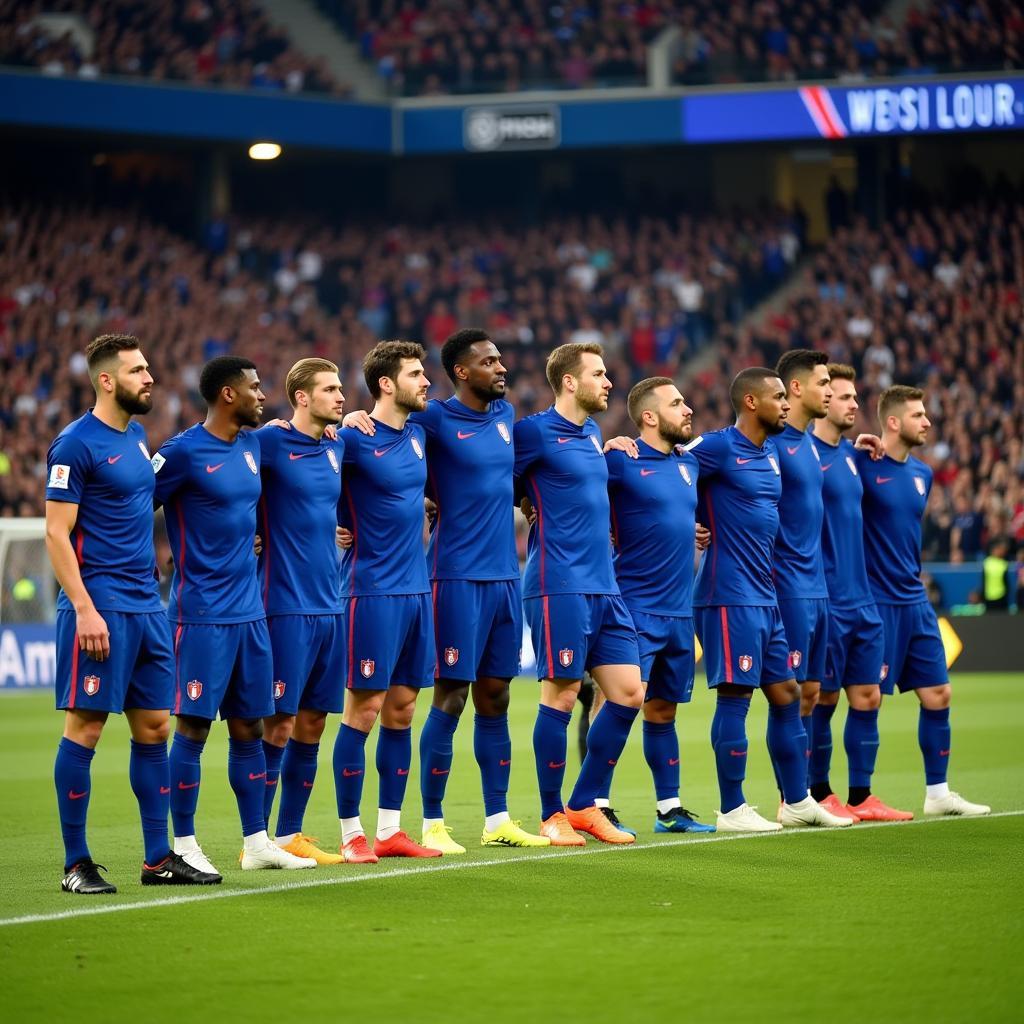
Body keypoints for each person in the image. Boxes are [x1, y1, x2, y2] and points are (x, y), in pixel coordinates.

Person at [344, 329, 548, 852]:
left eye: (501, 359)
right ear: (462, 371)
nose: (502, 368)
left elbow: (527, 472)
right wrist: (350, 419)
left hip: (505, 575)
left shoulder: (507, 420)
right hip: (452, 577)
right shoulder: (430, 419)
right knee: (451, 695)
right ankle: (432, 819)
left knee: (496, 697)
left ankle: (497, 818)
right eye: (490, 361)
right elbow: (380, 451)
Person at [46, 333, 220, 894]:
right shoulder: (74, 444)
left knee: (154, 726)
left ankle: (155, 858)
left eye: (148, 368)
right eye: (138, 371)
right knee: (87, 728)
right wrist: (84, 608)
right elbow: (55, 533)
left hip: (148, 605)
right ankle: (76, 863)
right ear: (106, 380)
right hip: (100, 607)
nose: (150, 378)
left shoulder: (139, 437)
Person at [155, 356, 316, 874]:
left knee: (250, 727)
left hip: (252, 613)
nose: (262, 394)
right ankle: (182, 843)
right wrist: (158, 556)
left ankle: (257, 841)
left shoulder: (253, 444)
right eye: (254, 387)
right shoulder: (181, 453)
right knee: (194, 729)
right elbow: (134, 505)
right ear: (228, 395)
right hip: (202, 616)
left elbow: (307, 446)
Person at [686, 367, 852, 831]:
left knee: (787, 692)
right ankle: (732, 808)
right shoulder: (718, 446)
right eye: (778, 397)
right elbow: (668, 466)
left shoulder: (771, 455)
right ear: (752, 402)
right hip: (726, 594)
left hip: (767, 595)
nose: (785, 404)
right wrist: (687, 522)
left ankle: (797, 801)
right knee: (736, 697)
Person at [514, 342, 645, 846]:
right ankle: (552, 815)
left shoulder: (593, 433)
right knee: (563, 694)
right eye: (599, 373)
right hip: (556, 583)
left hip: (603, 585)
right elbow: (483, 477)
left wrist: (609, 448)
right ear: (570, 381)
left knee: (630, 693)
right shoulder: (532, 433)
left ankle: (584, 802)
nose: (608, 382)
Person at [332, 341, 442, 862]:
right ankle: (352, 834)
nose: (426, 382)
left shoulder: (419, 434)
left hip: (418, 591)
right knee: (365, 710)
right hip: (370, 590)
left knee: (402, 710)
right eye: (416, 374)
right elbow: (297, 467)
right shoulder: (351, 436)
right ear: (385, 384)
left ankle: (390, 830)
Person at [858, 385, 989, 817]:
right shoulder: (860, 464)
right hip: (875, 602)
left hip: (915, 600)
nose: (927, 421)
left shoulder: (922, 474)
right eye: (918, 415)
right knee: (867, 699)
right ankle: (859, 795)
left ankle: (937, 793)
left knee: (938, 693)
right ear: (892, 422)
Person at [602, 377, 716, 834]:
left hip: (678, 610)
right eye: (676, 403)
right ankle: (594, 802)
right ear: (649, 416)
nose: (687, 408)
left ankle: (669, 809)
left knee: (663, 711)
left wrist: (695, 529)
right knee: (619, 704)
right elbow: (564, 486)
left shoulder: (689, 463)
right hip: (633, 608)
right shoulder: (621, 460)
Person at [809, 365, 912, 821]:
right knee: (824, 699)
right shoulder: (800, 453)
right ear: (822, 400)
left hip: (863, 598)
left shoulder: (853, 456)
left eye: (855, 397)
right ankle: (818, 791)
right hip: (825, 597)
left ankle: (862, 795)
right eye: (845, 397)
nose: (854, 404)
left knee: (868, 696)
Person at [256, 358, 347, 865]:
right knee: (279, 724)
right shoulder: (269, 442)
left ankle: (290, 833)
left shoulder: (338, 443)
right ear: (301, 397)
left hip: (330, 604)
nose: (340, 396)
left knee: (313, 722)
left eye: (340, 388)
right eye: (330, 390)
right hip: (284, 605)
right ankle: (258, 837)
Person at [772, 350, 832, 800]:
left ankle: (806, 794)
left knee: (811, 692)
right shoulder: (770, 440)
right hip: (786, 586)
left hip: (818, 587)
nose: (829, 390)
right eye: (823, 382)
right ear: (796, 388)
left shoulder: (810, 443)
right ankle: (789, 800)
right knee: (789, 693)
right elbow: (691, 459)